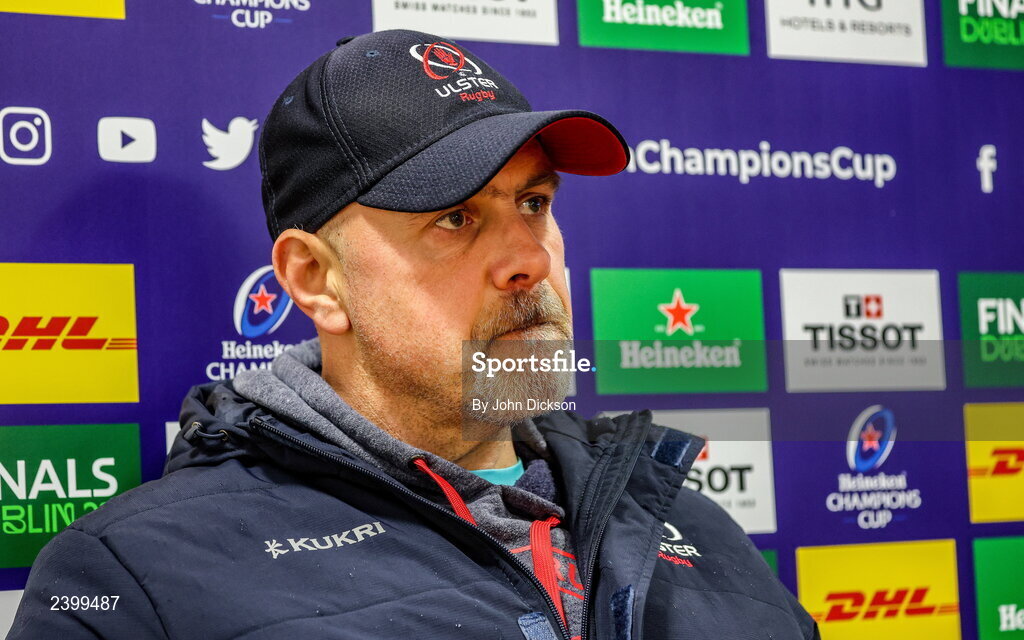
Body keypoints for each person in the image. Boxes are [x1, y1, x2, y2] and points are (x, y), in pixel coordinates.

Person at [8, 30, 818, 640]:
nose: (527, 260)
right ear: (316, 280)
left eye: (534, 204)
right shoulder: (134, 582)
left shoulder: (695, 525)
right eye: (456, 218)